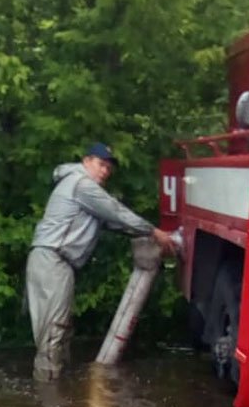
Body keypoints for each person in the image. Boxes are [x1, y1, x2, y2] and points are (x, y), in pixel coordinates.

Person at [26, 143, 175, 382]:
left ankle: (54, 388)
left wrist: (143, 233)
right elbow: (115, 212)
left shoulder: (79, 187)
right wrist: (154, 231)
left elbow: (112, 223)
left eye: (108, 167)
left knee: (58, 329)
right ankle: (49, 400)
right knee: (54, 330)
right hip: (53, 260)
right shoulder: (82, 184)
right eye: (101, 164)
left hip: (51, 260)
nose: (105, 171)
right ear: (86, 161)